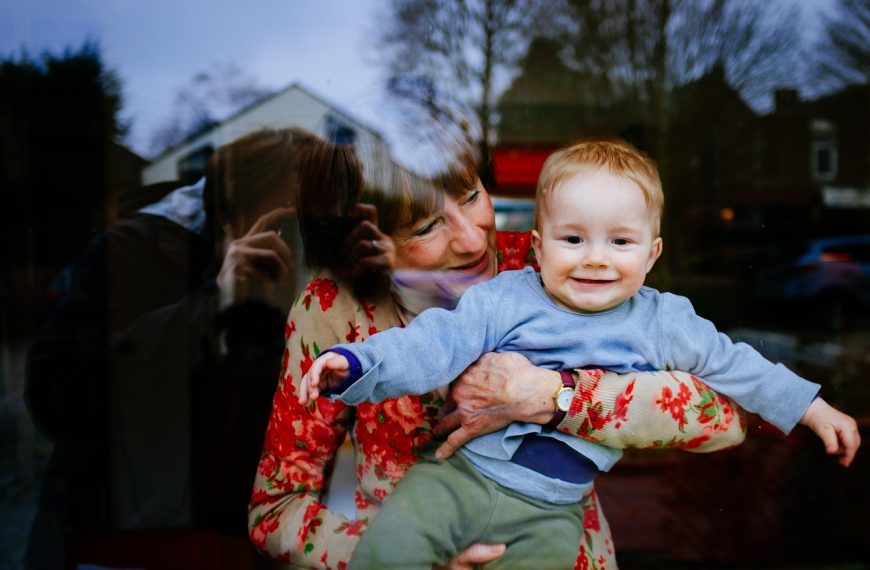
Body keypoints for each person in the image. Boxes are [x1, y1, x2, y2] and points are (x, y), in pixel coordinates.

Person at [300, 139, 861, 569]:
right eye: (573, 240)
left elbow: (735, 372)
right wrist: (358, 364)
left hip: (552, 510)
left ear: (652, 254)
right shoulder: (507, 295)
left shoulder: (664, 321)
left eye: (620, 242)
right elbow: (432, 343)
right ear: (538, 246)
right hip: (457, 480)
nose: (595, 258)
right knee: (391, 546)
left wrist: (810, 407)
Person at [25, 127, 310, 568]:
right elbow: (55, 395)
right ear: (228, 215)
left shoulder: (299, 276)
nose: (299, 238)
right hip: (126, 538)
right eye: (288, 221)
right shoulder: (133, 252)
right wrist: (210, 307)